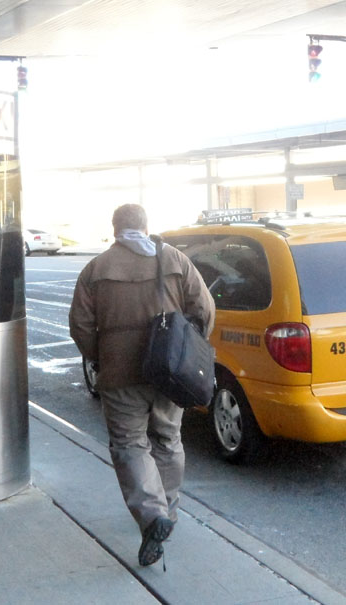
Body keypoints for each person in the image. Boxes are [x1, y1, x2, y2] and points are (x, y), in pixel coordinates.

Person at [69, 203, 215, 567]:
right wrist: (186, 348)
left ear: (115, 228)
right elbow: (205, 309)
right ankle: (167, 512)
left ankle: (152, 517)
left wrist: (101, 356)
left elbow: (81, 326)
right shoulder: (176, 260)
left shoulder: (96, 269)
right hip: (168, 370)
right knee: (167, 439)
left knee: (129, 445)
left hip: (120, 375)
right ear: (146, 226)